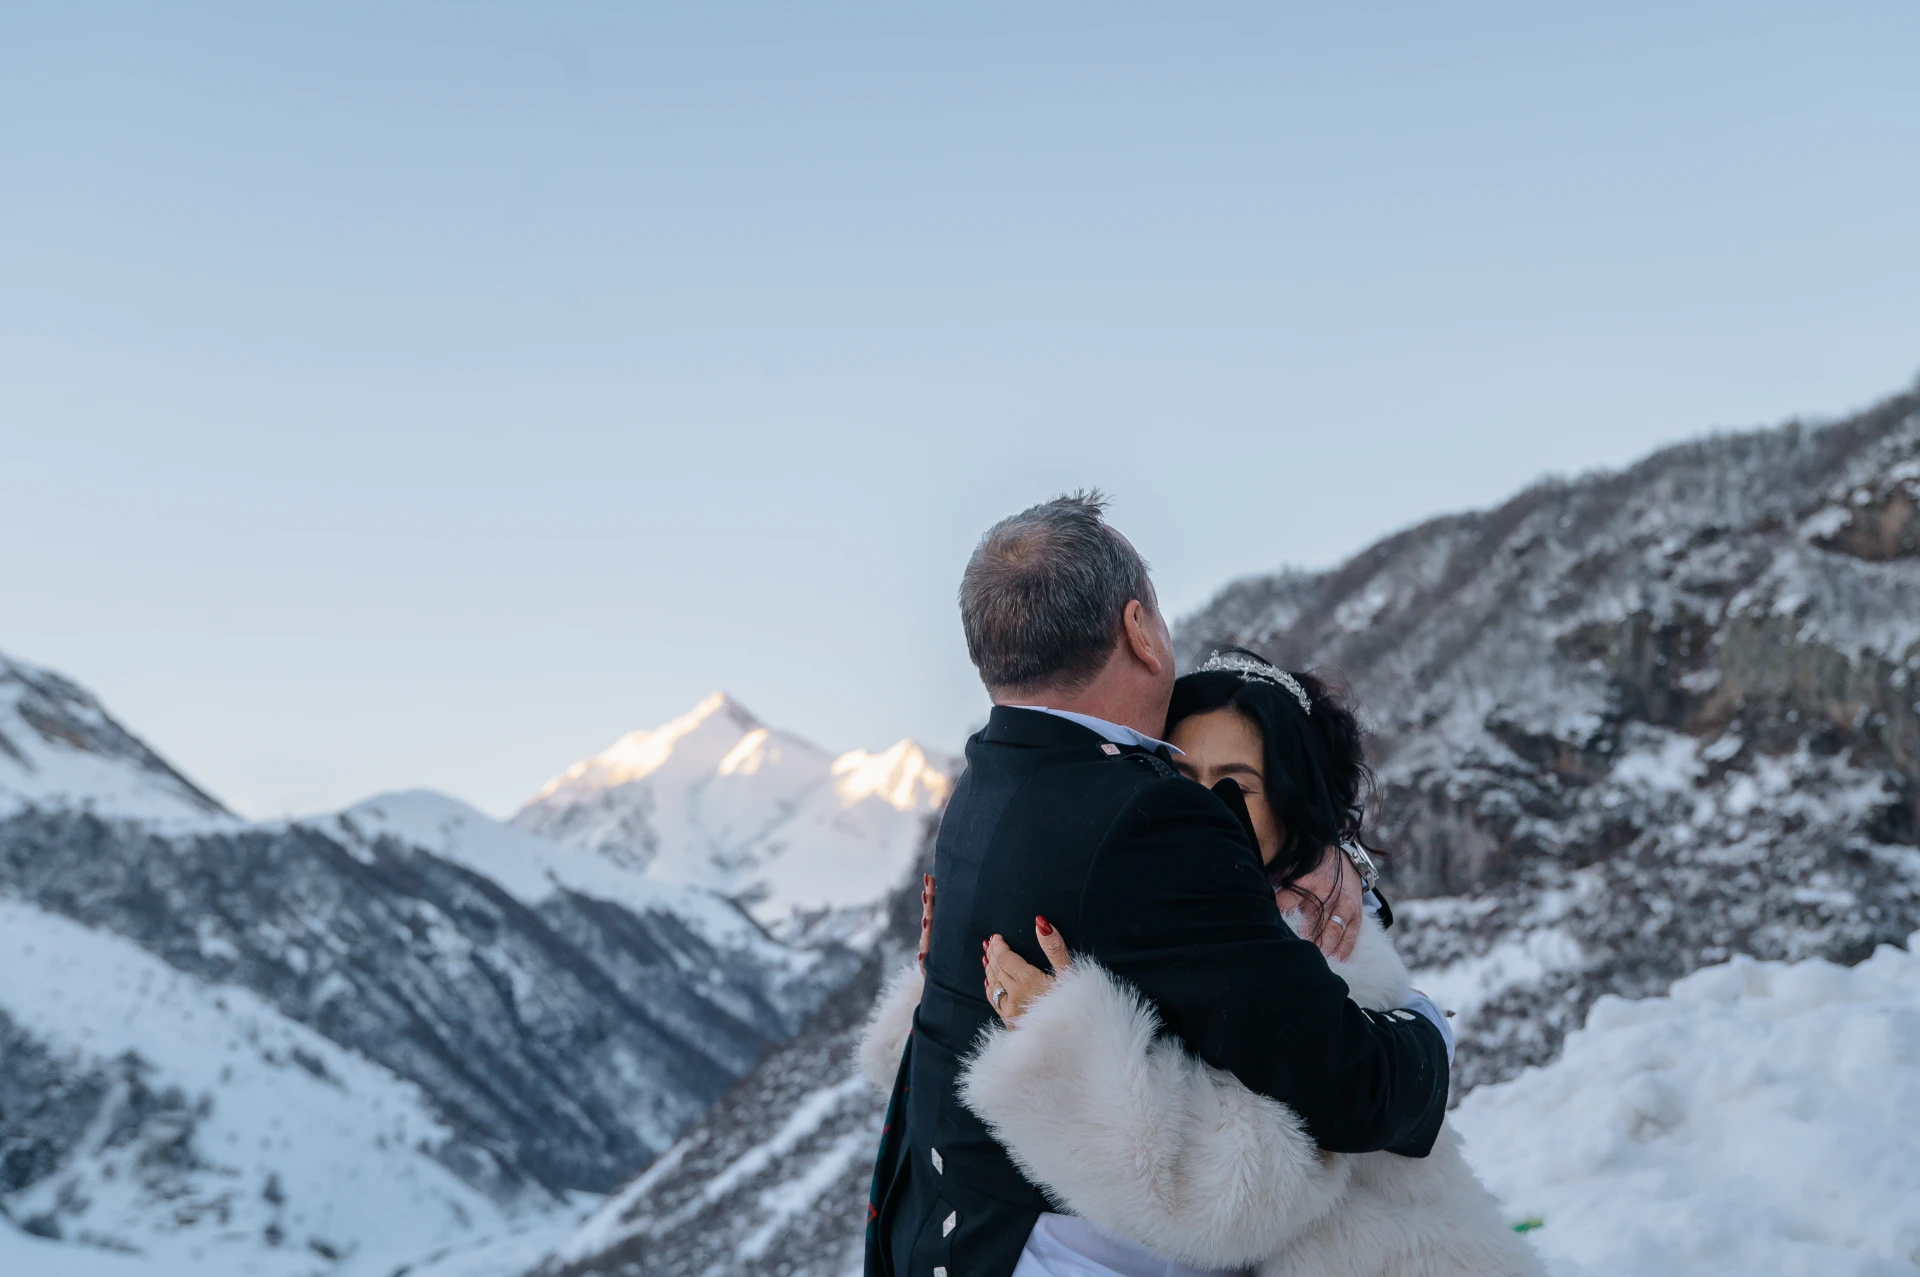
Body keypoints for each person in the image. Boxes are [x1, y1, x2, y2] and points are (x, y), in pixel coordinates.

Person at [861, 493, 1453, 1277]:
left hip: (938, 1229)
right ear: (1139, 630)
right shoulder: (1145, 815)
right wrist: (1429, 1031)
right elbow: (1349, 1091)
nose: (1217, 806)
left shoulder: (992, 776)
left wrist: (1311, 850)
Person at [924, 650, 1543, 1277]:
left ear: (1288, 801)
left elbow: (1245, 1184)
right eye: (1178, 775)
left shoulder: (1321, 937)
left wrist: (1064, 1043)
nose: (1203, 806)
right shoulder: (1160, 898)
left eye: (1238, 785)